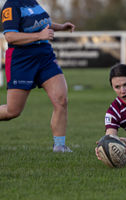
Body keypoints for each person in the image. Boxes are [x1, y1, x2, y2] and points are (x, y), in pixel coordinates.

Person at [0, 0, 75, 152]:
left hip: (45, 57)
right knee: (13, 111)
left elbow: (40, 23)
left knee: (61, 99)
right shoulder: (11, 6)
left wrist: (61, 27)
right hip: (21, 60)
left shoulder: (32, 2)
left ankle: (59, 146)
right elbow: (10, 36)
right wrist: (39, 36)